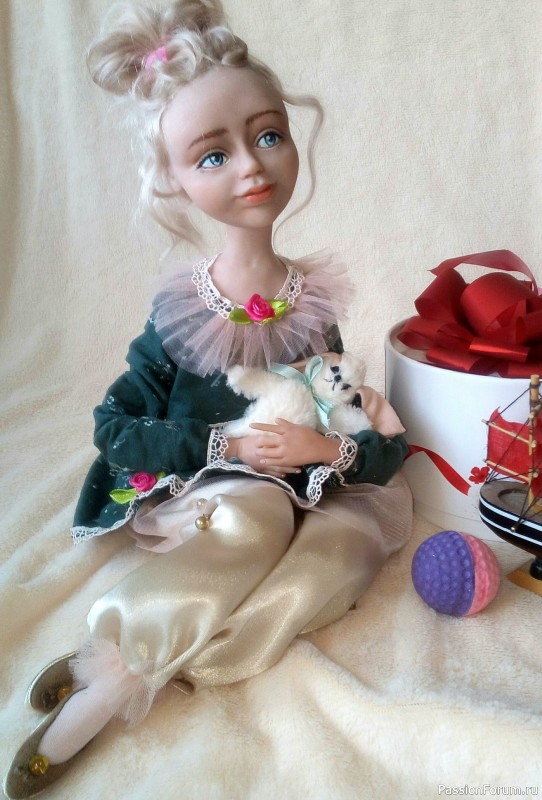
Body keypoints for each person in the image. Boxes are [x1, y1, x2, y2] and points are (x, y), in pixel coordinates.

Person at [4, 1, 412, 797]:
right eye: (213, 154)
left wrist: (326, 448)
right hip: (211, 489)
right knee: (256, 519)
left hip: (307, 484)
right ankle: (110, 675)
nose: (252, 167)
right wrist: (225, 447)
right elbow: (114, 427)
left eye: (268, 136)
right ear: (174, 177)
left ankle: (162, 660)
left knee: (344, 553)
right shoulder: (181, 316)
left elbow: (342, 410)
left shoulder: (312, 306)